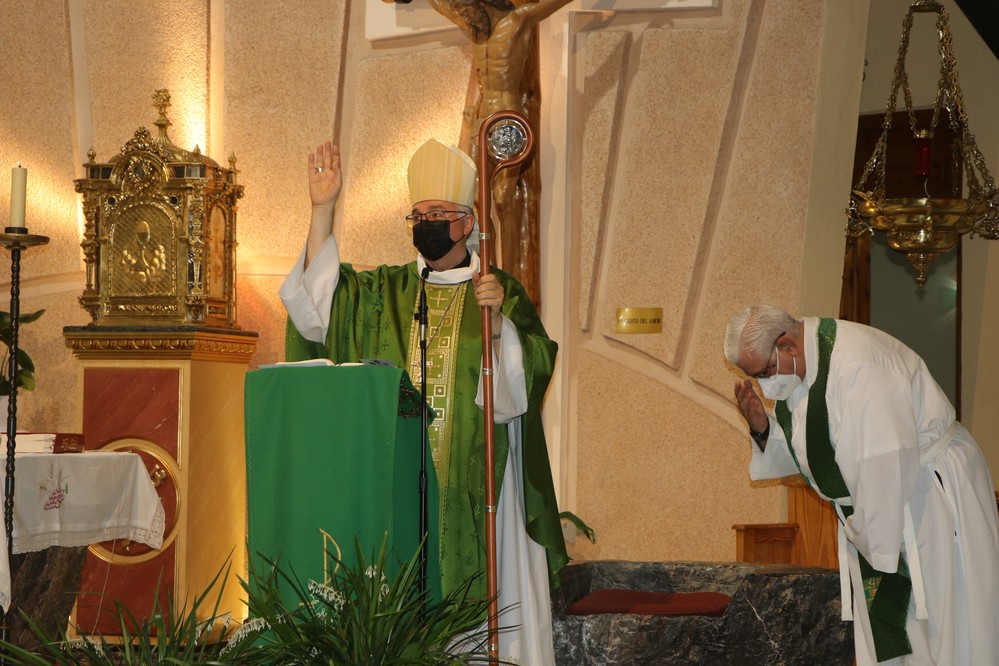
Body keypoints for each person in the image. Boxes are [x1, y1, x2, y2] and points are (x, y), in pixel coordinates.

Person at [279, 138, 568, 664]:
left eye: (440, 213)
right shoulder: (383, 293)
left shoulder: (497, 291)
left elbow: (523, 389)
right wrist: (323, 210)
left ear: (467, 222)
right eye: (419, 213)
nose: (427, 222)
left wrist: (500, 326)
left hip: (479, 496)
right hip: (399, 497)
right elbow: (316, 312)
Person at [724, 305, 999, 665]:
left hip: (926, 497)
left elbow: (885, 459)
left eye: (765, 371)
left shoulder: (859, 365)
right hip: (878, 507)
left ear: (787, 344)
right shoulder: (803, 368)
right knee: (900, 627)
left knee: (941, 620)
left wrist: (871, 539)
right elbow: (816, 448)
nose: (765, 384)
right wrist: (763, 427)